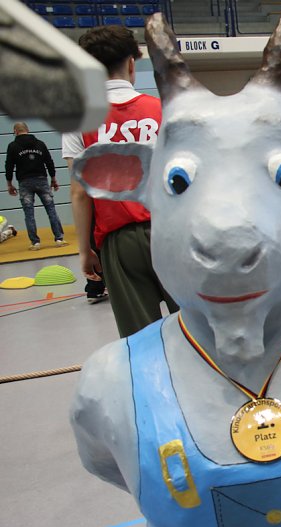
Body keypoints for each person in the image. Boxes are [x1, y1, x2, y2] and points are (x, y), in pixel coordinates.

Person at [63, 25, 178, 336]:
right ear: (131, 64)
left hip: (119, 242)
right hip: (173, 233)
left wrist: (84, 250)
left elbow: (79, 192)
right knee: (197, 330)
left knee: (141, 341)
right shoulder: (165, 110)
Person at [4, 122, 68, 251]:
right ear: (28, 130)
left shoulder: (12, 146)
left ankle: (35, 243)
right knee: (51, 210)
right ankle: (59, 239)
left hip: (24, 182)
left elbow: (9, 166)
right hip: (41, 180)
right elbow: (49, 162)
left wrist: (9, 184)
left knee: (29, 214)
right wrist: (53, 179)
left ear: (15, 131)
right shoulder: (40, 144)